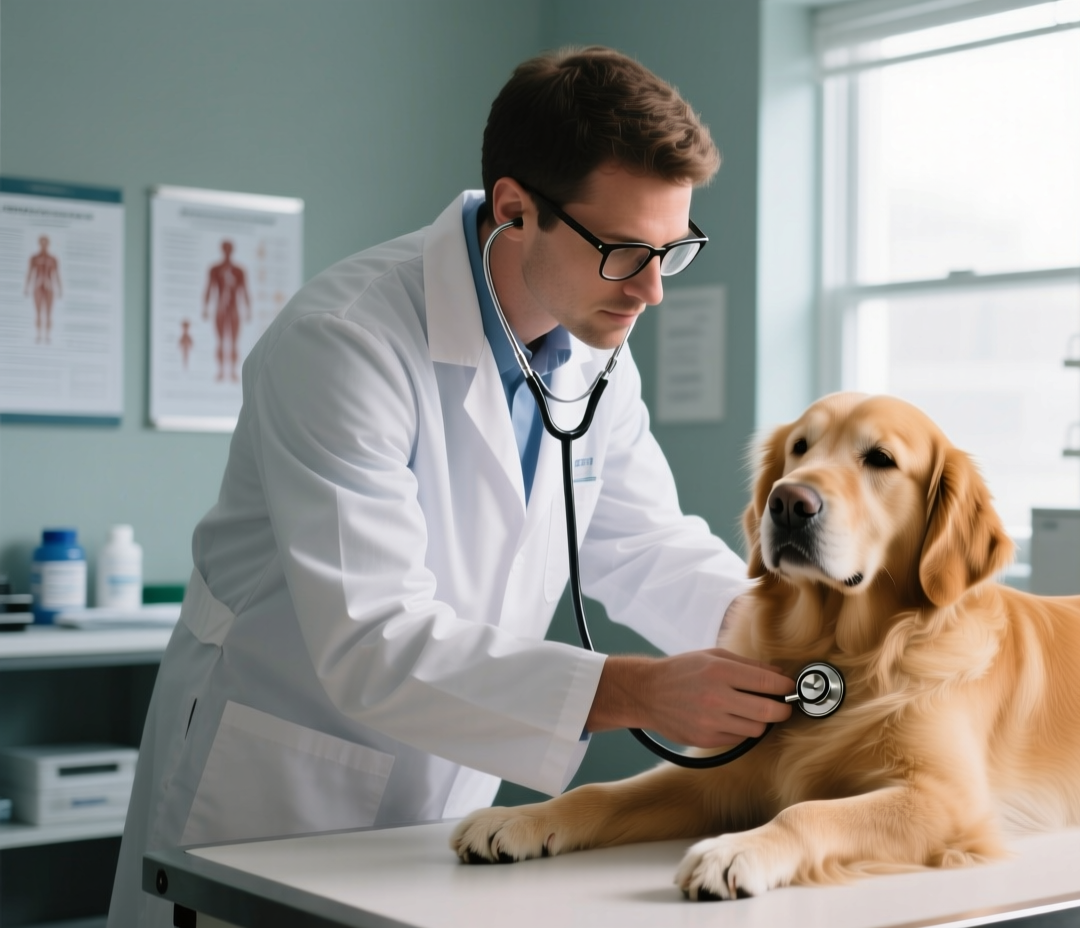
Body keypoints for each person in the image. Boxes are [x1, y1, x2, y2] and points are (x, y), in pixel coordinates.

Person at [109, 47, 794, 927]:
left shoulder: (594, 353)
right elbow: (373, 637)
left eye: (673, 250)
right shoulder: (344, 343)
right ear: (515, 209)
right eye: (626, 252)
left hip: (443, 783)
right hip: (278, 784)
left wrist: (802, 639)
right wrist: (640, 691)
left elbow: (643, 544)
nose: (654, 292)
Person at [202, 239, 251, 382]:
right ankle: (221, 371)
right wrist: (205, 307)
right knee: (220, 341)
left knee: (234, 341)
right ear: (222, 250)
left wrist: (248, 309)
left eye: (229, 248)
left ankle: (233, 372)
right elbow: (209, 288)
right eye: (226, 248)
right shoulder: (215, 269)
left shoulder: (239, 271)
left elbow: (245, 291)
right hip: (220, 308)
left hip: (234, 308)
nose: (227, 251)